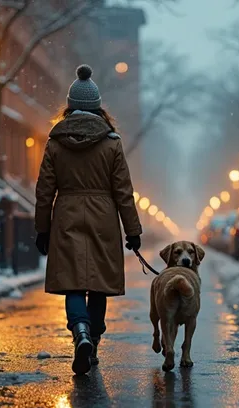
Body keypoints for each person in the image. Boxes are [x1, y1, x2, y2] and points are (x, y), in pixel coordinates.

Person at [35, 64, 142, 375]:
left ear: (70, 107)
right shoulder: (111, 143)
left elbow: (44, 190)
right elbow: (124, 191)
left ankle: (79, 331)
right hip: (103, 219)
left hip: (67, 215)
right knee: (97, 285)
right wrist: (132, 231)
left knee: (73, 284)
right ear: (98, 107)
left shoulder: (55, 142)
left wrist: (42, 229)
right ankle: (92, 340)